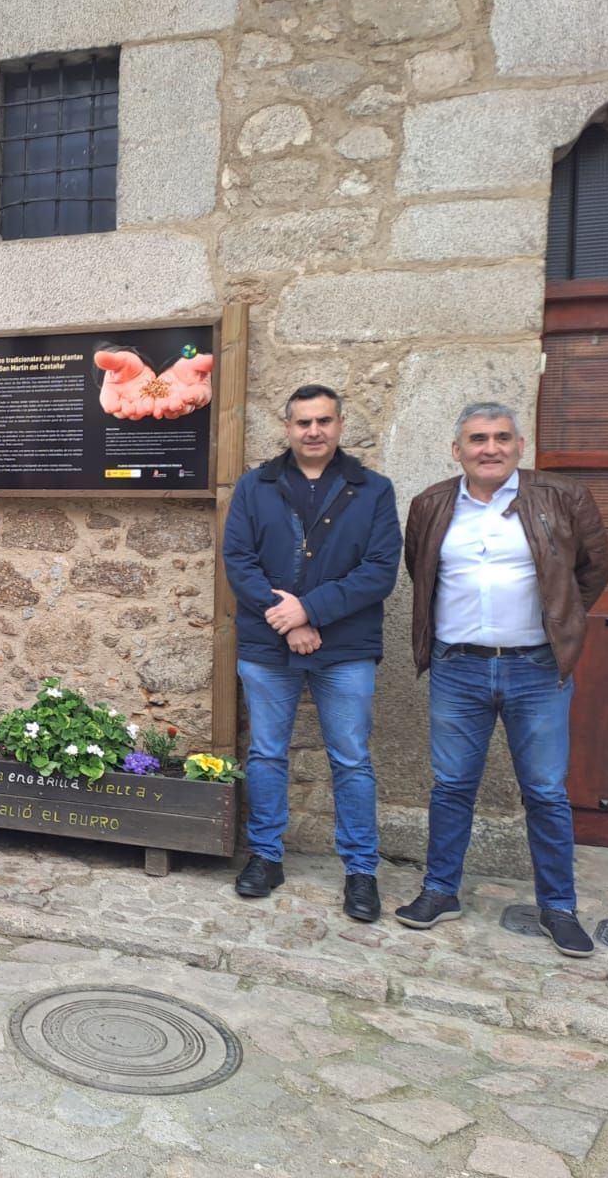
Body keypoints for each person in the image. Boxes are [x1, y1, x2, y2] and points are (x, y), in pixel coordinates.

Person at [395, 402, 608, 958]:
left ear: (520, 445)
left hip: (537, 668)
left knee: (544, 791)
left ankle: (558, 907)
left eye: (501, 437)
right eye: (477, 439)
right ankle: (440, 891)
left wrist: (561, 620)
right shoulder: (431, 505)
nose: (489, 448)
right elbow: (419, 565)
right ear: (457, 450)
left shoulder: (561, 497)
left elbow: (593, 569)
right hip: (458, 667)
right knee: (451, 787)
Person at [222, 385, 400, 922]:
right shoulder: (257, 487)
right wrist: (287, 618)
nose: (314, 431)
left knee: (350, 759)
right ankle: (267, 857)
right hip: (267, 644)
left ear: (341, 425)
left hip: (344, 647)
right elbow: (238, 558)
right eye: (303, 422)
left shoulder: (373, 490)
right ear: (288, 428)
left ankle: (361, 871)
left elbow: (379, 570)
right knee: (267, 753)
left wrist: (310, 612)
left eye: (324, 421)